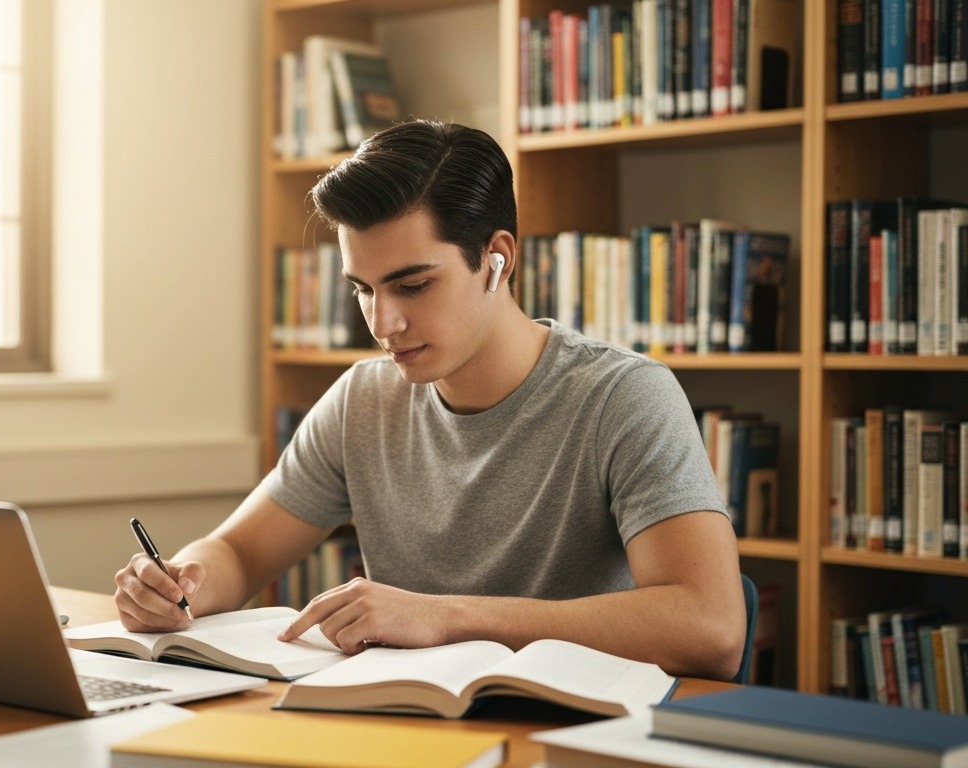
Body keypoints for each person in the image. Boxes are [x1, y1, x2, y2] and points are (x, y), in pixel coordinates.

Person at [115, 119, 745, 681]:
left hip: (572, 738)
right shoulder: (363, 400)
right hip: (409, 732)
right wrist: (179, 581)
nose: (382, 322)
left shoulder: (624, 397)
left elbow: (712, 630)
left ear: (496, 260)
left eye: (411, 285)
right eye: (362, 289)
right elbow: (238, 552)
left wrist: (445, 616)